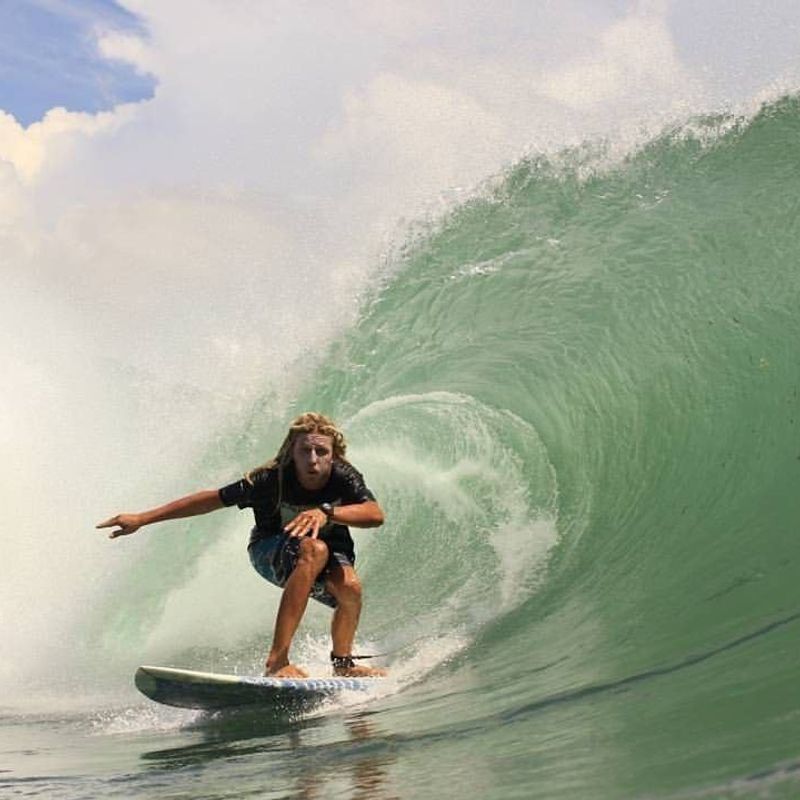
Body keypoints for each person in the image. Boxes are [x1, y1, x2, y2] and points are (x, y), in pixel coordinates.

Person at [97, 412, 387, 679]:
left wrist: (326, 512)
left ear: (333, 454)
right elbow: (209, 500)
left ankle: (343, 665)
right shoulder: (269, 480)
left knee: (351, 589)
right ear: (291, 452)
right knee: (314, 549)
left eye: (321, 451)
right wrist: (141, 518)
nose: (313, 459)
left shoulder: (344, 477)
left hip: (328, 550)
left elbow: (374, 515)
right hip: (269, 550)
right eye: (305, 451)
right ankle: (278, 661)